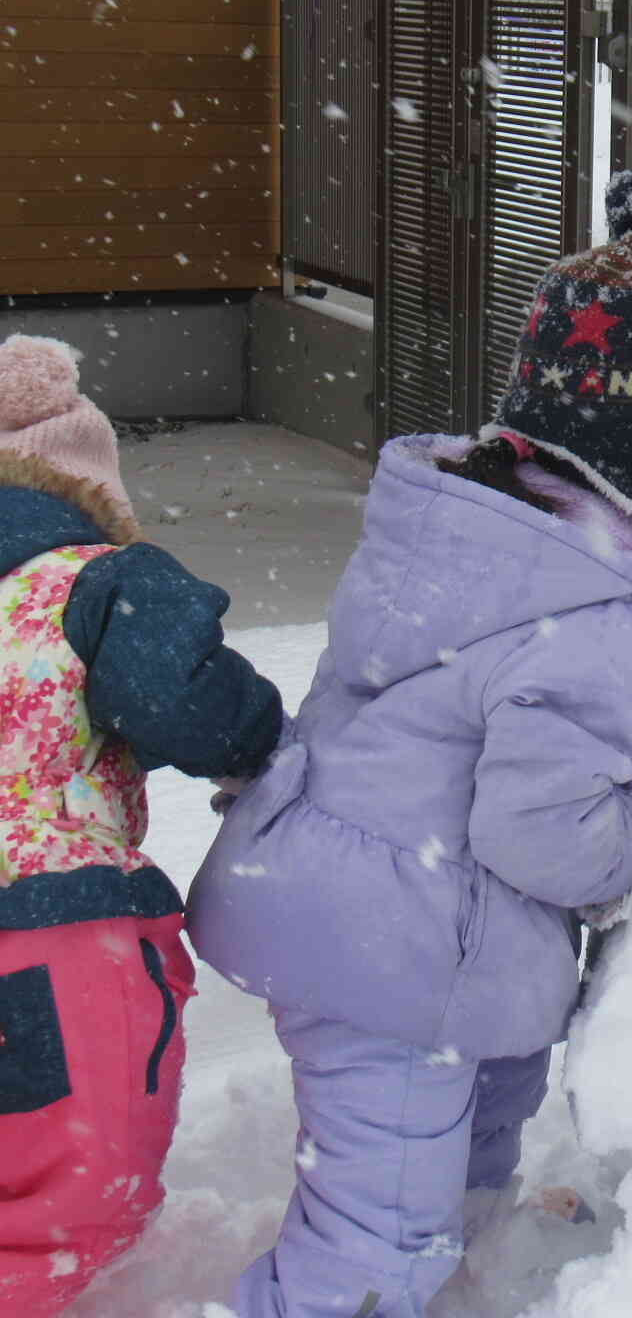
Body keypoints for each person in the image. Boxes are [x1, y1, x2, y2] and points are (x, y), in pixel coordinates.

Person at [186, 170, 632, 1318]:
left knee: (470, 1151)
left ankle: (462, 1284)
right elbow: (542, 834)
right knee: (377, 1242)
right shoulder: (593, 621)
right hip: (396, 959)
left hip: (378, 920)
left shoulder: (468, 534)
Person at [0, 334, 285, 1316]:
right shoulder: (94, 579)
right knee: (68, 1190)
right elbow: (179, 699)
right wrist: (263, 738)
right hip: (50, 925)